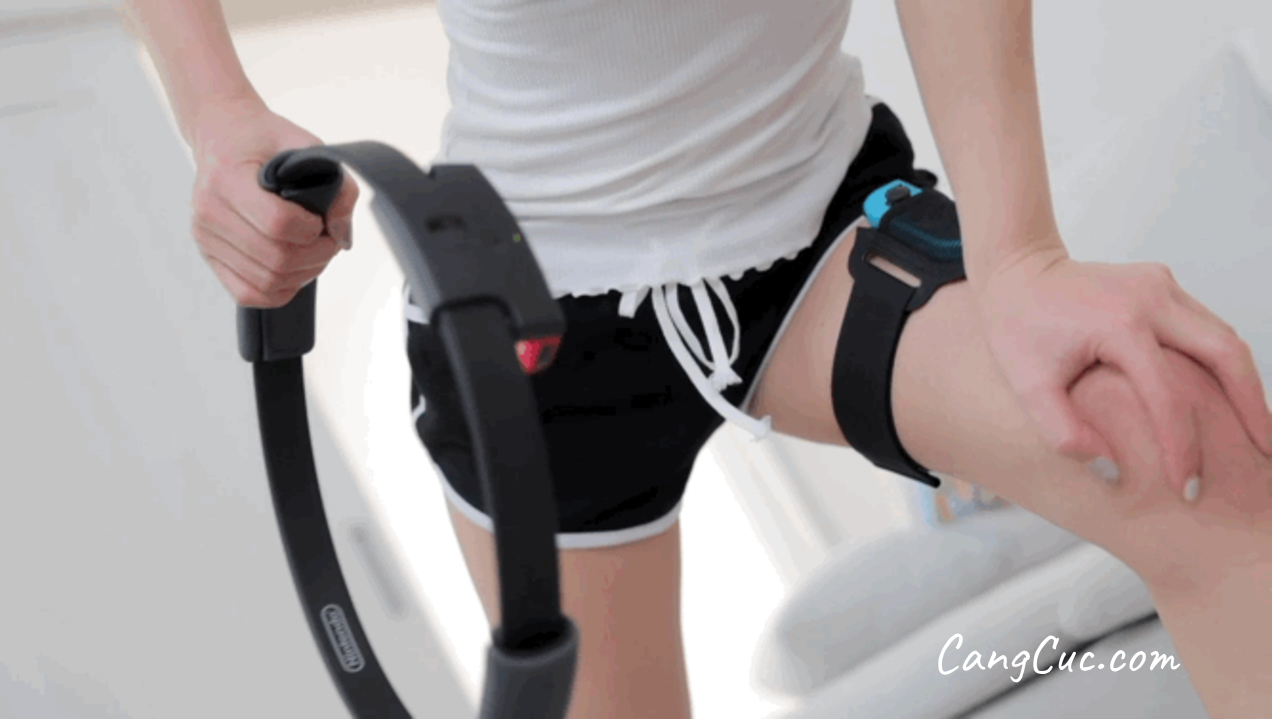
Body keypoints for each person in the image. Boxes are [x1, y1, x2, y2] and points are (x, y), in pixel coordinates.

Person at [123, 0, 1272, 717]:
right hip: (531, 307)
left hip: (818, 227)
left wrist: (1019, 258)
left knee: (1189, 444)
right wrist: (215, 111)